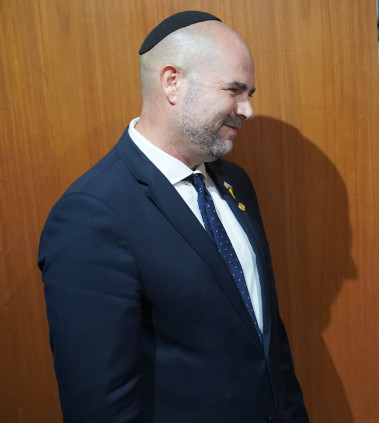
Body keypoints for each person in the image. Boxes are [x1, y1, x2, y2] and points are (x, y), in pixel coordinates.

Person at [38, 11, 308, 423]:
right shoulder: (91, 214)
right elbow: (100, 405)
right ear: (172, 82)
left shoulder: (236, 183)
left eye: (249, 93)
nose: (247, 109)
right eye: (234, 90)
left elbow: (266, 338)